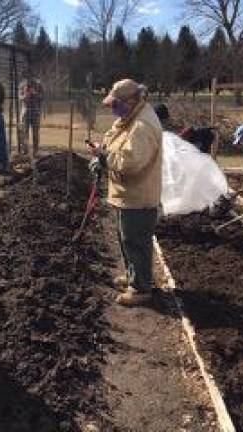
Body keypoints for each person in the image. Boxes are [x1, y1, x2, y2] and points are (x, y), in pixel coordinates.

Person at [88, 79, 163, 307]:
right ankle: (135, 276)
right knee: (126, 239)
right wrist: (101, 154)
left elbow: (131, 162)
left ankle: (141, 288)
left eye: (116, 104)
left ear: (130, 101)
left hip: (138, 196)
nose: (112, 109)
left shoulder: (142, 126)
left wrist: (104, 159)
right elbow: (112, 140)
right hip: (127, 193)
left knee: (135, 241)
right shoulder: (129, 119)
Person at [19, 77, 44, 156]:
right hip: (25, 112)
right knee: (24, 132)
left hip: (35, 112)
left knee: (35, 133)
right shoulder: (22, 85)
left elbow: (42, 97)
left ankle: (35, 151)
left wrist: (34, 93)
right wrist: (26, 95)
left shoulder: (39, 84)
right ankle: (25, 150)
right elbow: (20, 98)